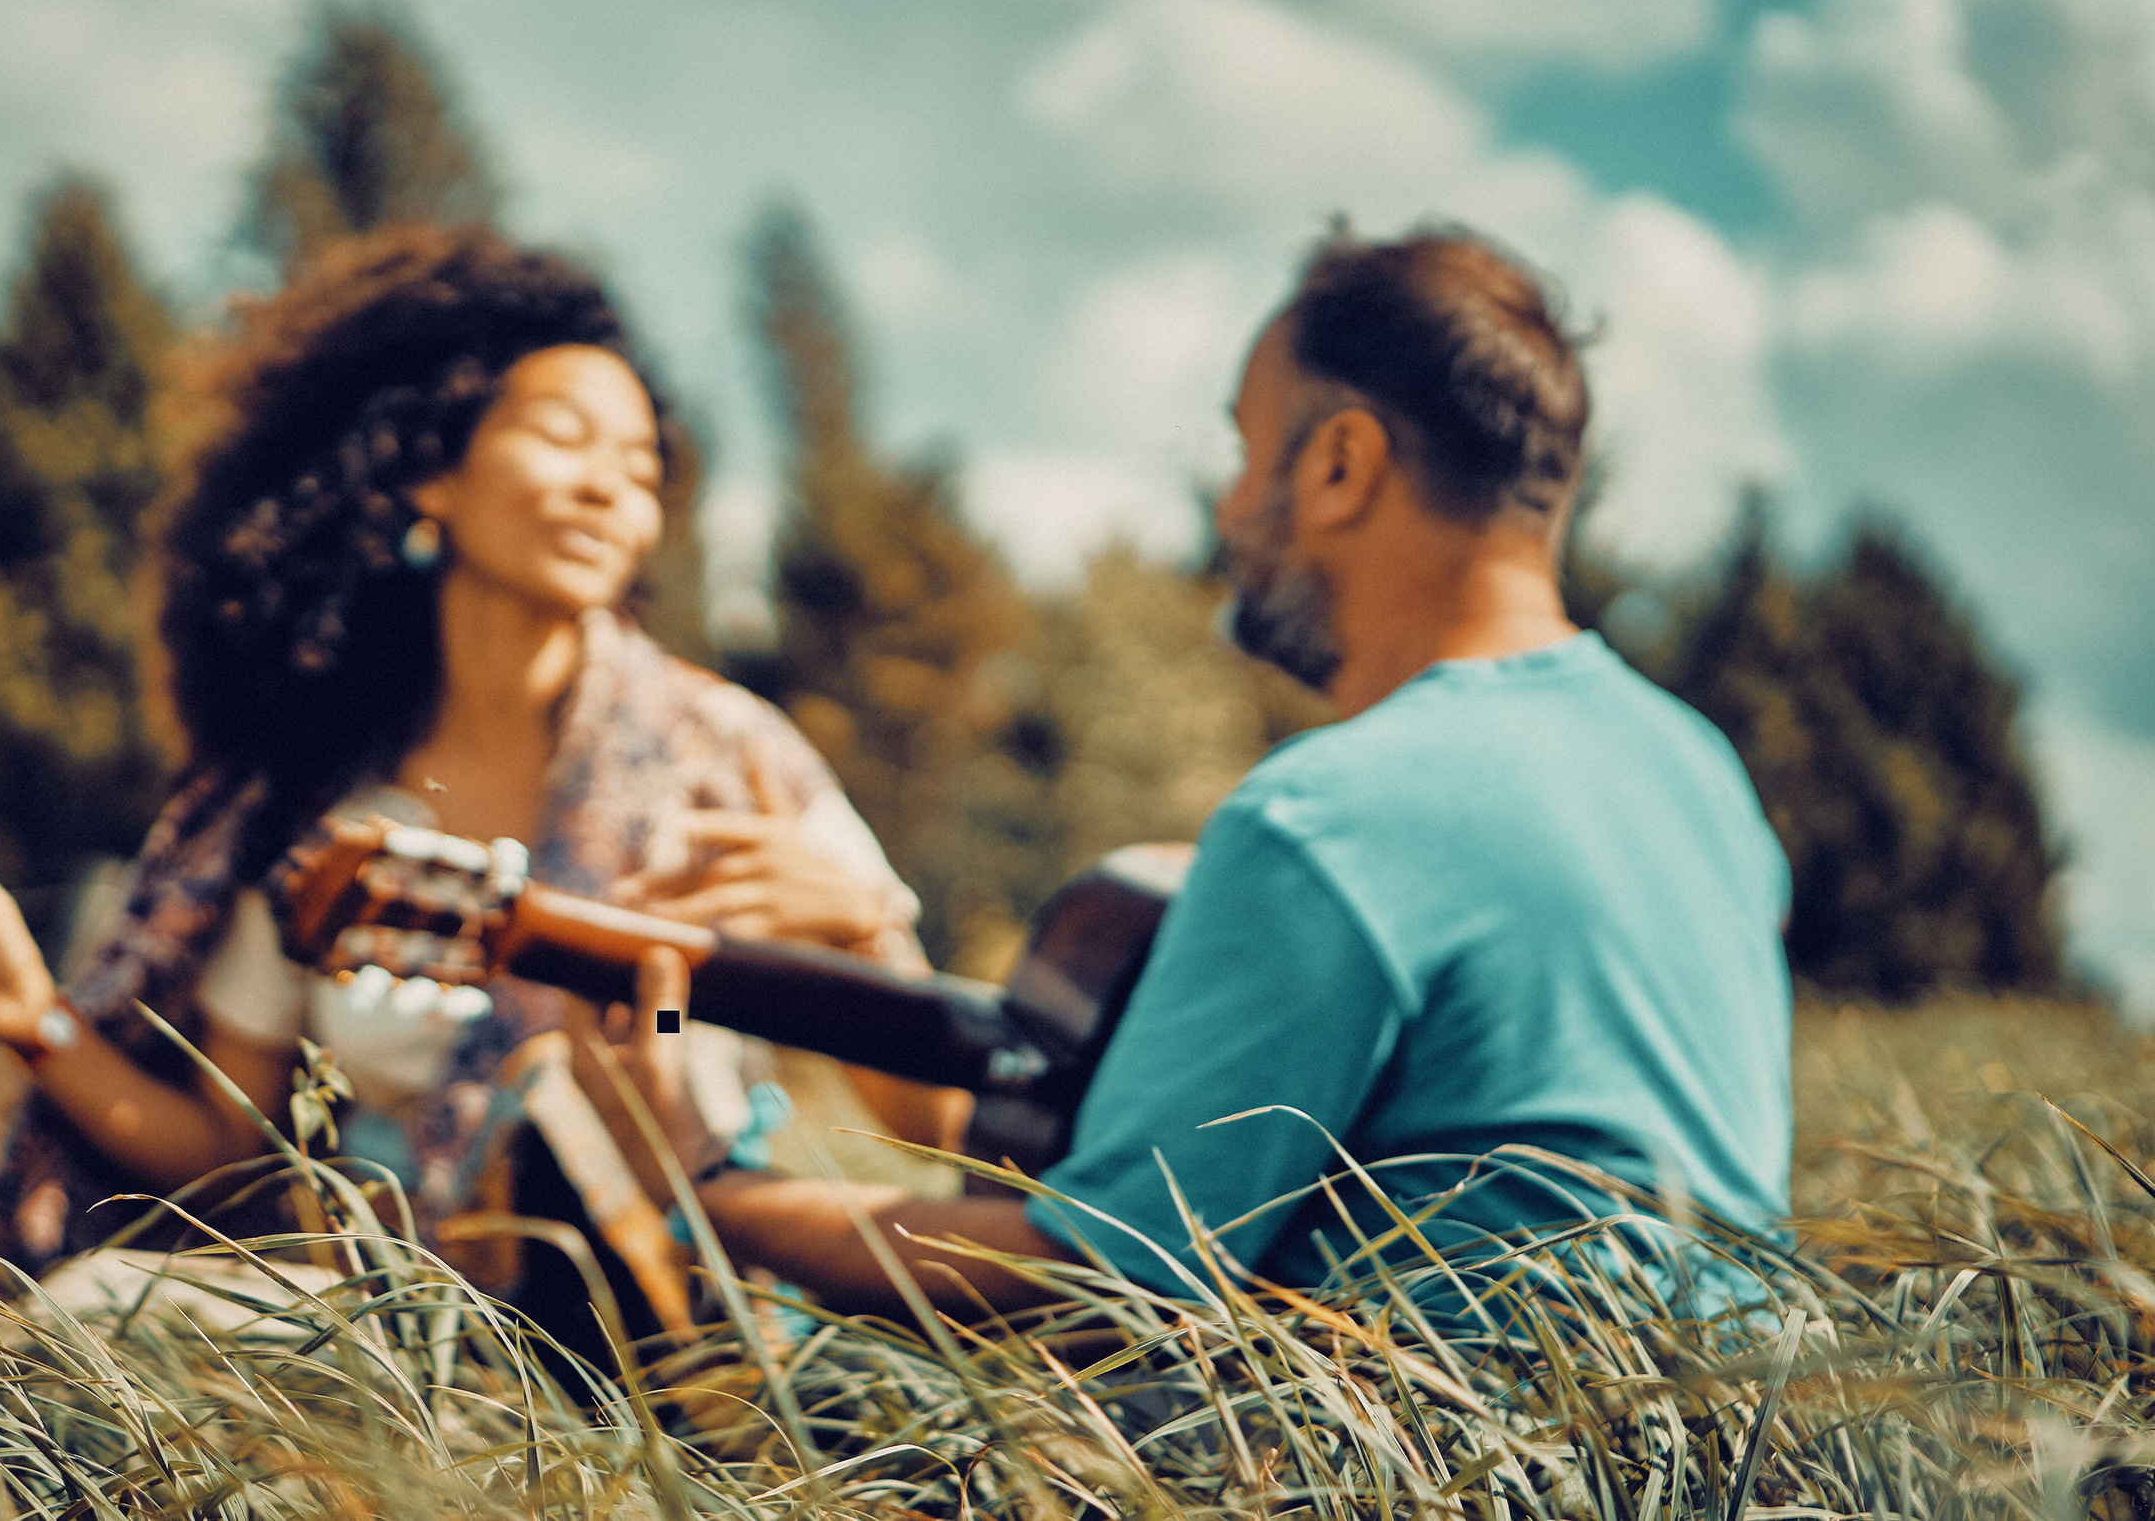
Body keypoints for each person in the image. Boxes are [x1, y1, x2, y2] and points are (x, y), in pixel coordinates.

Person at [0, 225, 965, 1330]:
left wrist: (861, 941)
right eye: (562, 436)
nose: (613, 487)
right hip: (400, 1331)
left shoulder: (732, 759)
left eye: (643, 466)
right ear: (428, 475)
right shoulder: (318, 810)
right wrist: (40, 1027)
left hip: (686, 1324)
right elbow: (231, 1155)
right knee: (93, 1315)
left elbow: (941, 1129)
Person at [610, 223, 1793, 1316]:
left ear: (1339, 465)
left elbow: (1092, 1284)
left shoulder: (1329, 817)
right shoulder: (1697, 772)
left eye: (1241, 449)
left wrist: (706, 1190)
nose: (1228, 508)